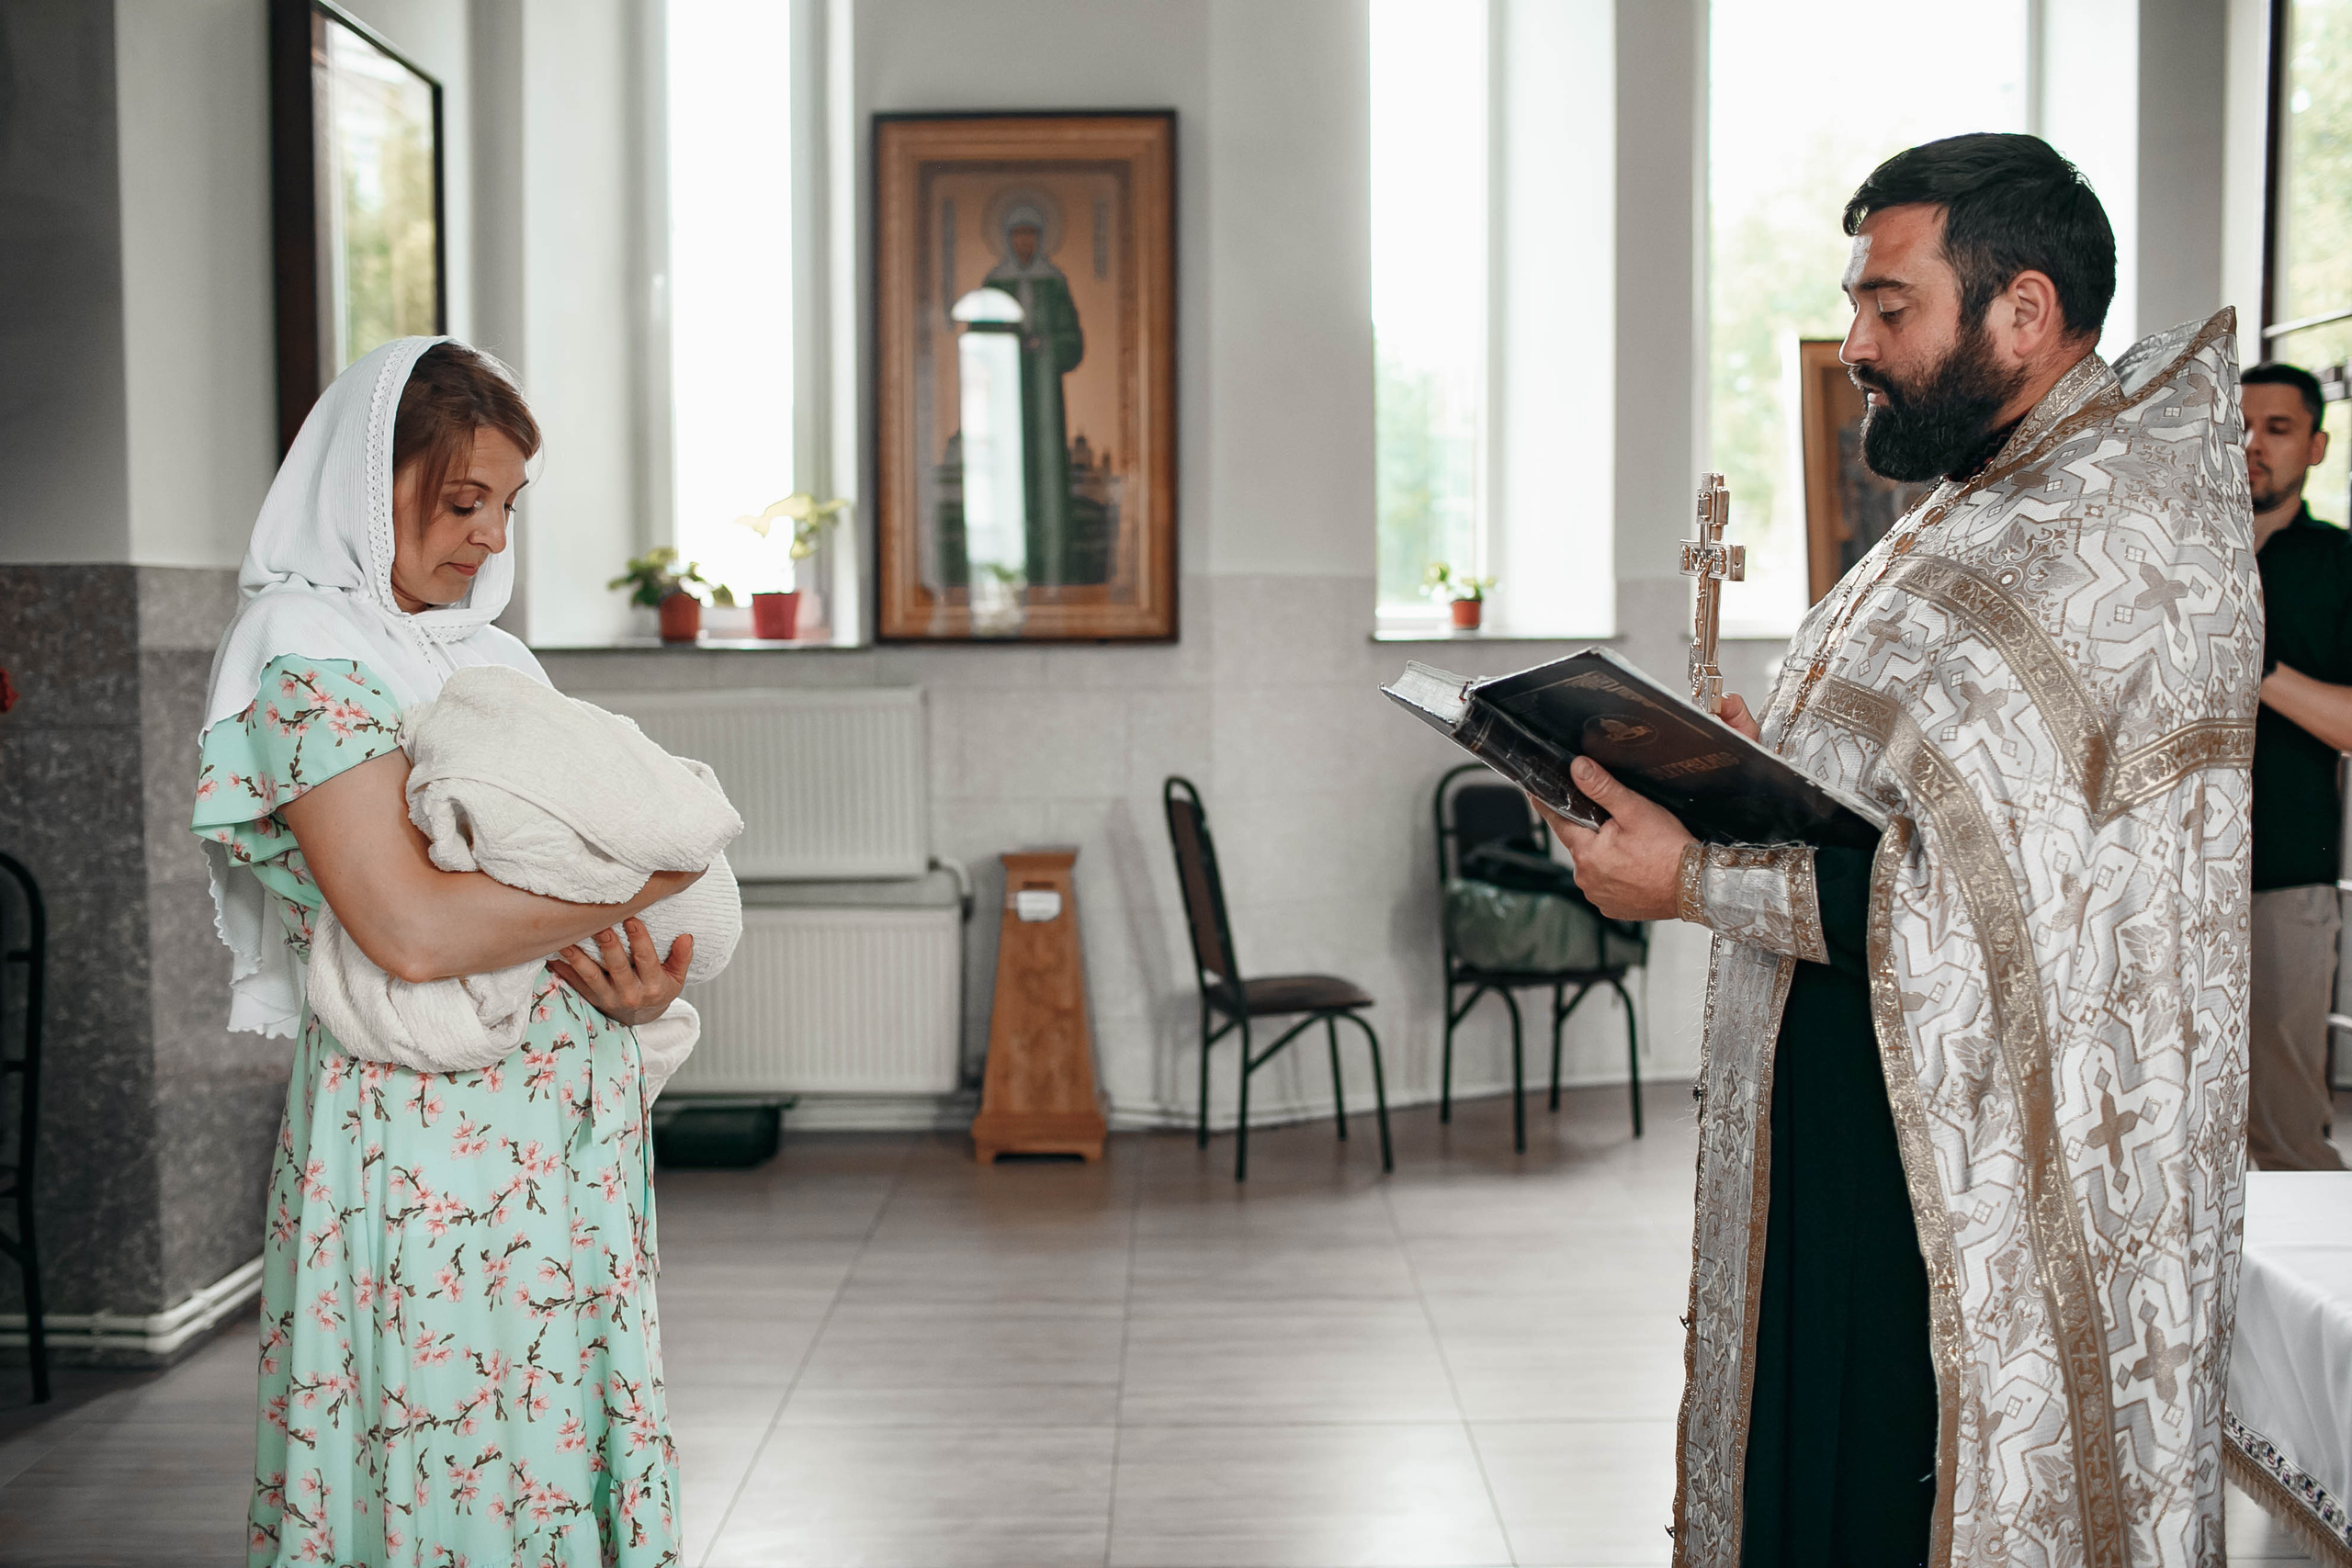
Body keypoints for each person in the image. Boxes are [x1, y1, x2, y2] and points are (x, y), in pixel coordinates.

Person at [1541, 134, 2256, 1566]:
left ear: (2023, 311)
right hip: (1855, 1111)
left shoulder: (2115, 546)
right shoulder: (1986, 501)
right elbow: (1910, 808)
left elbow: (1983, 903)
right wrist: (1737, 766)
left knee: (1892, 1486)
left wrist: (1686, 878)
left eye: (1888, 306)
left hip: (1963, 1172)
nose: (1855, 342)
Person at [195, 336, 695, 1565]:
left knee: (552, 1428)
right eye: (463, 501)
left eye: (507, 509)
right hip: (424, 1145)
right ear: (373, 486)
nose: (489, 540)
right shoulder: (305, 652)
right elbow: (411, 931)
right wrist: (643, 876)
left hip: (560, 1139)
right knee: (447, 1432)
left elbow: (552, 862)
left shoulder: (485, 653)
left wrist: (627, 973)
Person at [2241, 361, 2352, 1171]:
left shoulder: (2340, 565)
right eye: (2237, 425)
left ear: (2315, 446)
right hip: (2152, 877)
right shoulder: (2170, 555)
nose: (2250, 444)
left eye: (2276, 429)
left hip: (2282, 875)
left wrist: (2254, 661)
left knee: (2284, 1131)